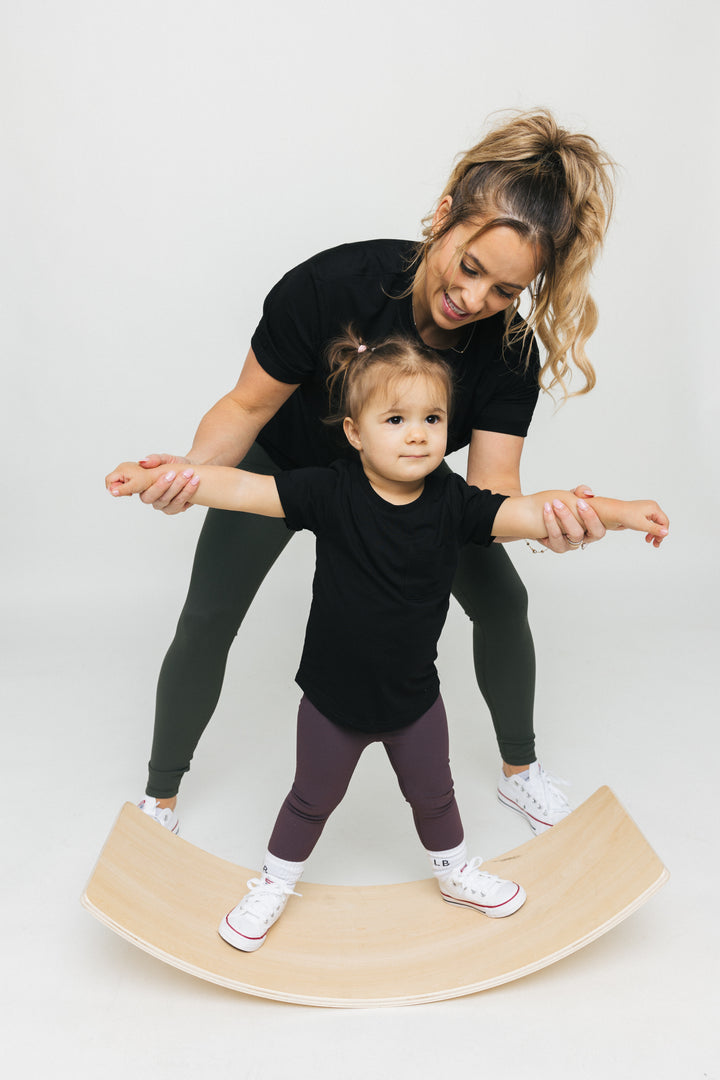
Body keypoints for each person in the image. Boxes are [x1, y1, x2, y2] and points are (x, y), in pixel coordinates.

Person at [105, 108, 617, 838]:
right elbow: (247, 405)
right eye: (470, 268)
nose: (475, 301)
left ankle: (521, 774)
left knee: (503, 602)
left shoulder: (506, 351)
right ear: (444, 216)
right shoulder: (329, 285)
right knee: (210, 614)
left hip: (414, 489)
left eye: (505, 291)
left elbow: (494, 493)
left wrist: (547, 527)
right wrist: (191, 473)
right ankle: (158, 801)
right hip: (288, 465)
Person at [108, 332, 668, 951]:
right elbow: (243, 490)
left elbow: (532, 512)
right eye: (396, 420)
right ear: (355, 432)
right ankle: (273, 883)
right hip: (332, 701)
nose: (418, 434)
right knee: (308, 802)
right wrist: (164, 474)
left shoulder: (453, 501)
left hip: (414, 702)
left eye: (432, 419)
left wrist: (621, 511)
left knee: (435, 798)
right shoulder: (328, 489)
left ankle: (455, 872)